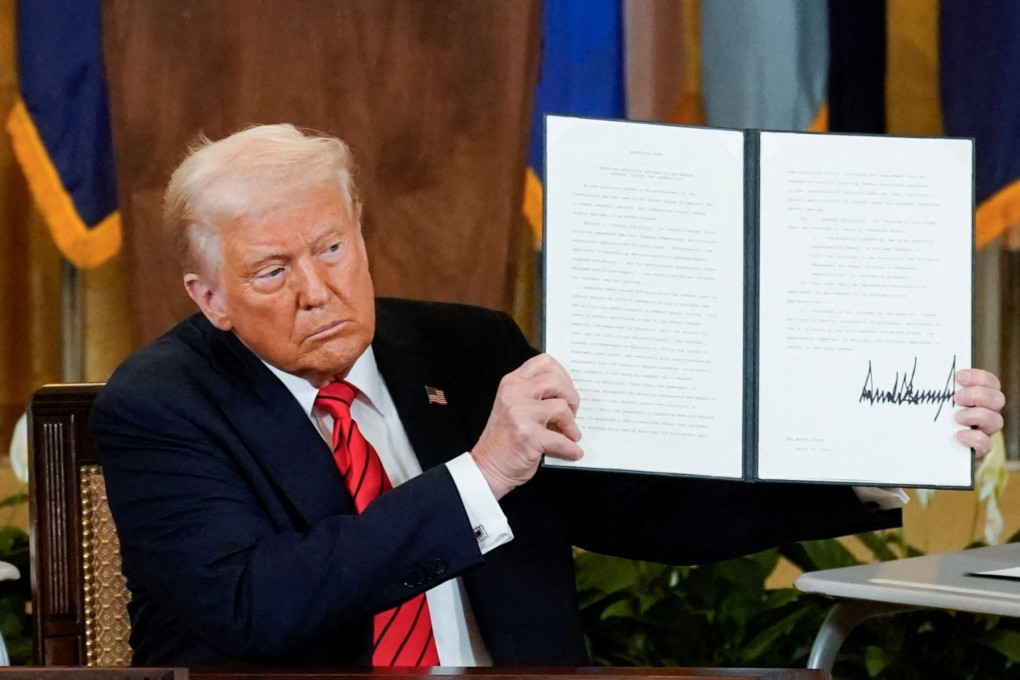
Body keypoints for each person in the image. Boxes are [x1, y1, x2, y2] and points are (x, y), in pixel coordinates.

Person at [90, 124, 1005, 668]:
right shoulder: (159, 407)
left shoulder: (467, 345)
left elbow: (640, 509)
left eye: (331, 249)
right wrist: (482, 474)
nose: (316, 290)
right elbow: (259, 604)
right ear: (207, 298)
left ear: (361, 233)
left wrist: (885, 452)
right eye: (271, 271)